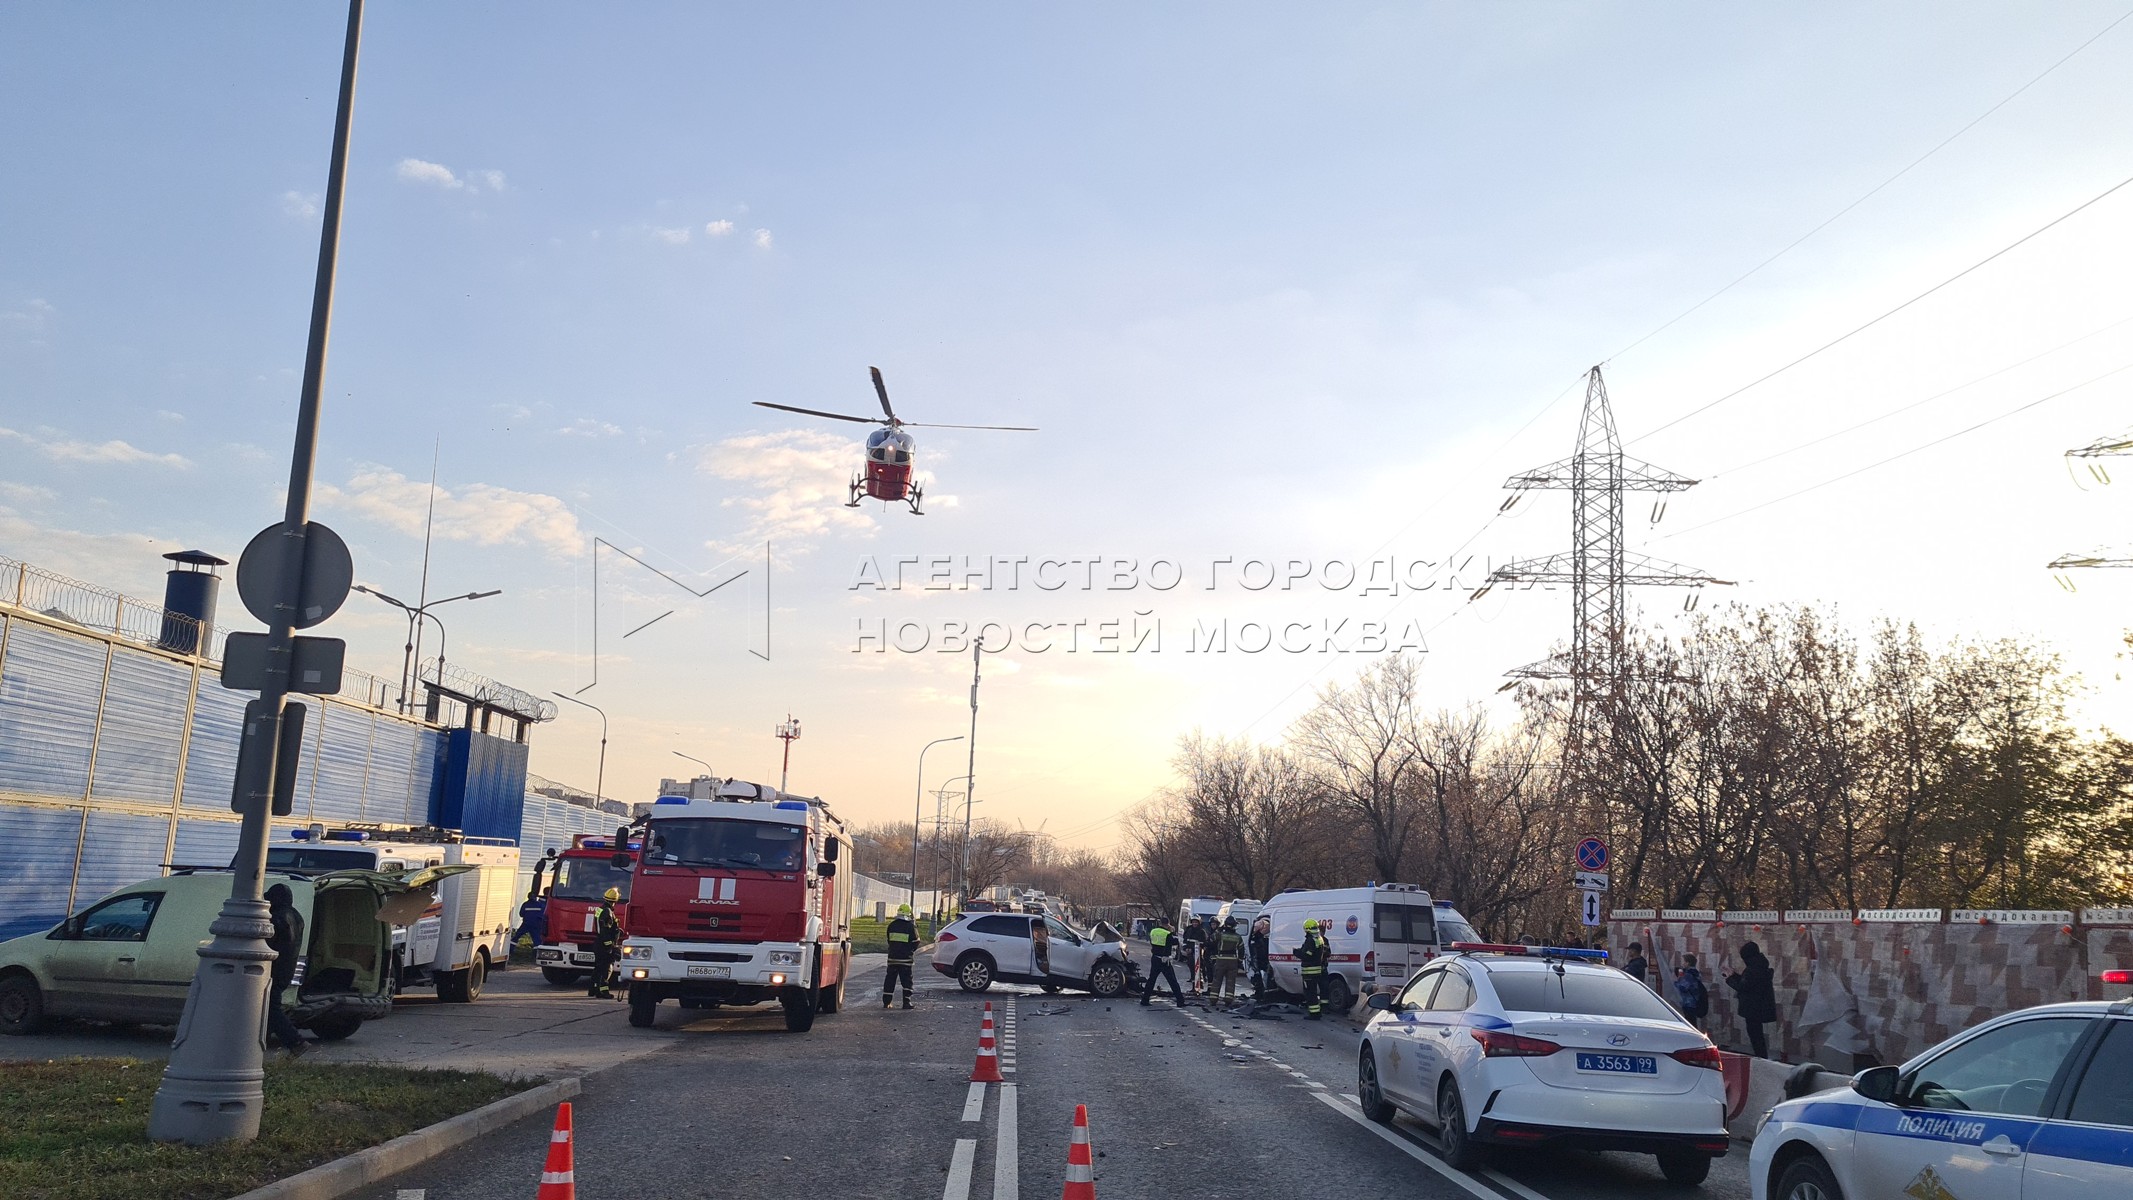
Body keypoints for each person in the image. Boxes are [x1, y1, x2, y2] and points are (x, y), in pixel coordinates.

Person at [264, 883, 310, 1056]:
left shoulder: (276, 918)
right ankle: (259, 1041)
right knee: (267, 1007)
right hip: (287, 968)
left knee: (270, 1008)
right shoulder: (296, 916)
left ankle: (295, 1041)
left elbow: (268, 943)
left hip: (272, 969)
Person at [1726, 941, 1778, 1058]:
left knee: (1755, 1035)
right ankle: (1762, 1057)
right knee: (1757, 1035)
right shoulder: (1760, 966)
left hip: (1752, 1007)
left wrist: (1730, 979)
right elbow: (1748, 983)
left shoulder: (1752, 970)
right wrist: (1734, 975)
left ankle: (1761, 1058)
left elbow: (1743, 987)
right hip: (1760, 1006)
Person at [1140, 915, 1186, 1007]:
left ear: (1160, 923)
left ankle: (1145, 1000)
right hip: (1164, 960)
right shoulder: (1167, 934)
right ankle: (1180, 1001)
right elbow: (1175, 942)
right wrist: (1172, 932)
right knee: (1172, 981)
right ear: (1168, 924)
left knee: (1151, 980)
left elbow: (1152, 941)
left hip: (1155, 958)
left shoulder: (1153, 931)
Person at [883, 903, 920, 1008]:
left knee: (890, 980)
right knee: (907, 980)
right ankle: (906, 1002)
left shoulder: (892, 925)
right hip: (906, 959)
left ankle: (887, 1002)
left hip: (892, 958)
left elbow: (889, 940)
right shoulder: (910, 926)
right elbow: (916, 941)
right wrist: (910, 950)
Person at [588, 887, 622, 999]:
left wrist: (617, 930)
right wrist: (610, 946)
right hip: (604, 945)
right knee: (606, 968)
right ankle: (603, 991)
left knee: (598, 968)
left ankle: (592, 989)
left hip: (598, 943)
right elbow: (605, 930)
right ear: (615, 901)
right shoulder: (608, 912)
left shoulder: (600, 909)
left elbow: (602, 927)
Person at [1207, 917, 1245, 1007]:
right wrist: (1239, 961)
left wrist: (1219, 929)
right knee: (1231, 981)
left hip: (1221, 959)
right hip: (1233, 961)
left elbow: (1211, 939)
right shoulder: (1238, 937)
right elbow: (1241, 951)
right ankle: (1228, 999)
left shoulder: (1220, 934)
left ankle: (1213, 999)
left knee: (1217, 979)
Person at [1297, 918, 1330, 1020]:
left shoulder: (1311, 940)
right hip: (1317, 970)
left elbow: (1307, 955)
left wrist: (1296, 953)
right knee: (1317, 991)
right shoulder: (1320, 939)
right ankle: (1319, 1010)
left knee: (1310, 993)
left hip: (1310, 971)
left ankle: (1314, 1014)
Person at [1674, 952, 1709, 1030]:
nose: (1682, 964)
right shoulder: (1696, 973)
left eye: (1684, 962)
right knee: (1692, 1022)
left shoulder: (1688, 975)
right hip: (1694, 1002)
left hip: (1689, 1003)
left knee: (1690, 1024)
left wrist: (1677, 979)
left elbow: (1682, 987)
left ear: (1687, 963)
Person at [1181, 915, 1208, 994]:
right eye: (1193, 922)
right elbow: (1185, 941)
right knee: (1192, 969)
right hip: (1190, 952)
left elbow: (1204, 943)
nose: (1194, 924)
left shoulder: (1202, 931)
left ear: (1199, 923)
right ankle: (1194, 986)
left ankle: (1199, 984)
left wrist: (1200, 947)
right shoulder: (1188, 930)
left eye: (1196, 922)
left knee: (1198, 968)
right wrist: (1186, 948)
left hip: (1198, 953)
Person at [1247, 915, 1272, 999]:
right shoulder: (1264, 939)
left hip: (1261, 963)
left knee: (1260, 978)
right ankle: (1261, 993)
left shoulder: (1258, 940)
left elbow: (1259, 953)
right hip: (1263, 963)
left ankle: (1260, 993)